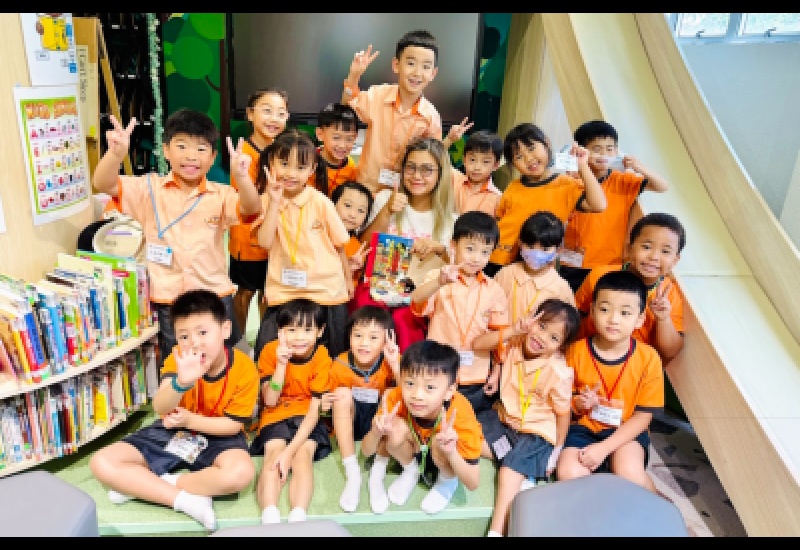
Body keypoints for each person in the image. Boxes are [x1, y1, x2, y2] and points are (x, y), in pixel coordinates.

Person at [92, 109, 262, 368]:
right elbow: (104, 184)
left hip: (214, 293)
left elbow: (252, 208)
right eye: (181, 146)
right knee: (179, 363)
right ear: (166, 150)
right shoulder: (148, 188)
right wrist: (115, 154)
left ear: (213, 157)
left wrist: (242, 177)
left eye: (201, 149)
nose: (191, 156)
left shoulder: (221, 194)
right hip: (169, 298)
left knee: (223, 361)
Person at [89, 290, 259, 531]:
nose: (194, 342)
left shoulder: (244, 367)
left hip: (220, 434)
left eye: (202, 332)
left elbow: (232, 425)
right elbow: (160, 407)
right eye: (184, 336)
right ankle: (185, 500)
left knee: (240, 474)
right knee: (102, 462)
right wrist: (181, 383)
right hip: (174, 428)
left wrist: (190, 420)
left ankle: (152, 485)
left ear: (225, 329)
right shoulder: (178, 358)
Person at [474, 299, 581, 537]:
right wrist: (512, 333)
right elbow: (479, 343)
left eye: (554, 338)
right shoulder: (516, 341)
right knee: (469, 437)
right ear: (532, 318)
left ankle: (496, 531)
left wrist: (557, 451)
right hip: (505, 421)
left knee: (508, 473)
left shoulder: (559, 372)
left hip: (536, 432)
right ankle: (525, 466)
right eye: (541, 326)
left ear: (561, 346)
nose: (542, 337)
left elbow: (563, 415)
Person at [244, 129, 354, 361]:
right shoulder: (266, 199)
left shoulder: (321, 202)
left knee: (332, 353)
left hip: (325, 288)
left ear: (312, 169)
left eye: (301, 167)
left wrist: (347, 280)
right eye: (284, 164)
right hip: (284, 288)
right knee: (268, 351)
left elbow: (339, 246)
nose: (291, 173)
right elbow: (264, 242)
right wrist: (274, 202)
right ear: (272, 162)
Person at [557, 271, 664, 495]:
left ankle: (656, 500)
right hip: (584, 427)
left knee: (630, 474)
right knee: (569, 473)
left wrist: (604, 449)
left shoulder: (649, 358)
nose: (613, 319)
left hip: (626, 430)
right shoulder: (574, 352)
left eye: (625, 313)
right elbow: (564, 403)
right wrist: (579, 404)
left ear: (640, 319)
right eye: (605, 309)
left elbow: (643, 417)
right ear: (592, 311)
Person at [354, 137, 457, 351]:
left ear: (441, 174)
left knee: (405, 321)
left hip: (419, 296)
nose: (416, 176)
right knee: (367, 313)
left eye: (426, 169)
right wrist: (387, 211)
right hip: (378, 287)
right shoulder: (385, 198)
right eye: (410, 167)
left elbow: (455, 271)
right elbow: (362, 248)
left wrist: (439, 248)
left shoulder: (450, 220)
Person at [361, 340, 483, 514]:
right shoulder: (395, 398)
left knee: (442, 440)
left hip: (443, 456)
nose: (417, 395)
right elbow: (366, 452)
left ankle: (446, 482)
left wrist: (451, 453)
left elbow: (473, 483)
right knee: (393, 427)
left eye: (430, 387)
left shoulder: (460, 414)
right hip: (414, 449)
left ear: (449, 391)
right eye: (410, 383)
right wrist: (375, 432)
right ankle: (410, 470)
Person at [342, 31, 470, 195]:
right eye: (411, 63)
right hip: (366, 189)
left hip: (403, 194)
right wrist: (354, 76)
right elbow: (345, 111)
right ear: (396, 65)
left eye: (425, 67)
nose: (417, 72)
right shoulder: (377, 95)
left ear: (433, 74)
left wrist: (449, 140)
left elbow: (432, 156)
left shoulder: (431, 116)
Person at [410, 211, 509, 415]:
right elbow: (416, 300)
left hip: (476, 375)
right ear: (453, 245)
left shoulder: (494, 290)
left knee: (467, 423)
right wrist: (439, 282)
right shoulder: (437, 277)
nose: (476, 258)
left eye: (485, 252)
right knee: (435, 421)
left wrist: (497, 371)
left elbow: (498, 336)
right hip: (438, 373)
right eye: (470, 249)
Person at [485, 123, 607, 277]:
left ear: (547, 144)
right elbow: (500, 219)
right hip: (495, 258)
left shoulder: (566, 185)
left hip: (533, 262)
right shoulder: (513, 186)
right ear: (513, 164)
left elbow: (599, 205)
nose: (529, 159)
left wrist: (583, 165)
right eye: (519, 156)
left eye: (531, 148)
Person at [560, 120, 670, 291]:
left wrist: (639, 167)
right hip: (573, 263)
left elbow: (662, 186)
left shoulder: (623, 181)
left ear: (617, 151)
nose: (604, 154)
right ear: (581, 151)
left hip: (610, 263)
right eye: (596, 149)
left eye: (610, 148)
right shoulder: (570, 181)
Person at [250, 299, 333, 524]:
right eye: (292, 330)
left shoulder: (322, 356)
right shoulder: (270, 351)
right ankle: (270, 516)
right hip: (275, 412)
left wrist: (290, 451)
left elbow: (314, 412)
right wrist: (281, 365)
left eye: (307, 330)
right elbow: (270, 400)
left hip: (307, 416)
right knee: (272, 457)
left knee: (302, 458)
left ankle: (298, 517)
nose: (299, 337)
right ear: (280, 331)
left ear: (320, 331)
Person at [574, 213, 685, 361]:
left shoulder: (669, 293)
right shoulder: (600, 275)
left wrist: (663, 318)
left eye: (665, 251)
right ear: (630, 249)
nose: (654, 257)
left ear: (675, 260)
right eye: (646, 247)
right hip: (586, 356)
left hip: (632, 367)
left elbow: (670, 352)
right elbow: (574, 317)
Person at [321, 306, 399, 512]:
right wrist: (324, 405)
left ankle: (378, 470)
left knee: (392, 394)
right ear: (349, 337)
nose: (364, 343)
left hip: (379, 425)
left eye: (373, 337)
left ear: (386, 341)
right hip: (350, 421)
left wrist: (395, 365)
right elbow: (326, 405)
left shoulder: (391, 362)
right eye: (358, 335)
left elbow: (408, 396)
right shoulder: (339, 364)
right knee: (341, 393)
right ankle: (352, 471)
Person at [229, 88, 290, 336]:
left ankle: (265, 340)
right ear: (250, 114)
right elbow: (246, 202)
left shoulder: (282, 153)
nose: (274, 118)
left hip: (276, 236)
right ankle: (239, 340)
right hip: (248, 238)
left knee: (270, 291)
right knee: (246, 291)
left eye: (281, 113)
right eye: (267, 111)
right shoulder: (243, 154)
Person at [494, 211, 575, 331]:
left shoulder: (561, 288)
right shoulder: (505, 274)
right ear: (520, 244)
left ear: (557, 250)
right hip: (500, 339)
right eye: (531, 247)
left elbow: (567, 328)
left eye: (545, 249)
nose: (537, 254)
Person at [331, 180, 374, 291]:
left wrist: (348, 270)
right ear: (332, 204)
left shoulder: (357, 250)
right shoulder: (315, 232)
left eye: (361, 210)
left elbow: (347, 291)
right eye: (348, 205)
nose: (353, 214)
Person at [311, 103, 359, 196]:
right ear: (320, 134)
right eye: (336, 137)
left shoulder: (350, 167)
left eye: (349, 139)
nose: (342, 145)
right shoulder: (308, 160)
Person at [451, 130, 503, 216]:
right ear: (464, 160)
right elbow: (437, 160)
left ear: (495, 165)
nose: (477, 167)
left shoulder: (498, 198)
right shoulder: (455, 179)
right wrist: (449, 140)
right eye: (472, 159)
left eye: (485, 162)